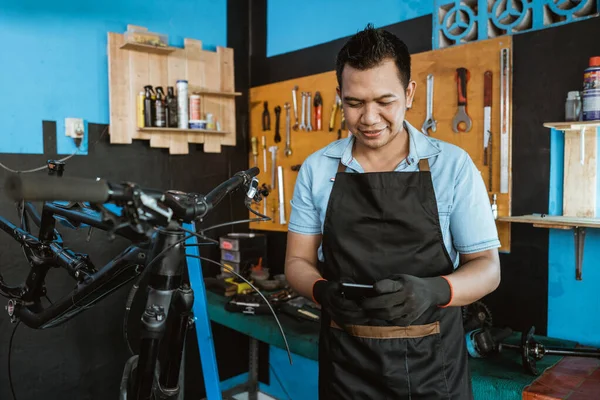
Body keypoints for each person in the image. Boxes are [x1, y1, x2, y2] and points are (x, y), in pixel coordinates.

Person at [284, 24, 501, 399]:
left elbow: (487, 266)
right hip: (345, 368)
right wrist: (321, 290)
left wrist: (436, 289)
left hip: (432, 370)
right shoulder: (318, 169)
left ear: (409, 93)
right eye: (354, 103)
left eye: (385, 101)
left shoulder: (452, 165)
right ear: (339, 96)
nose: (369, 118)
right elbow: (296, 262)